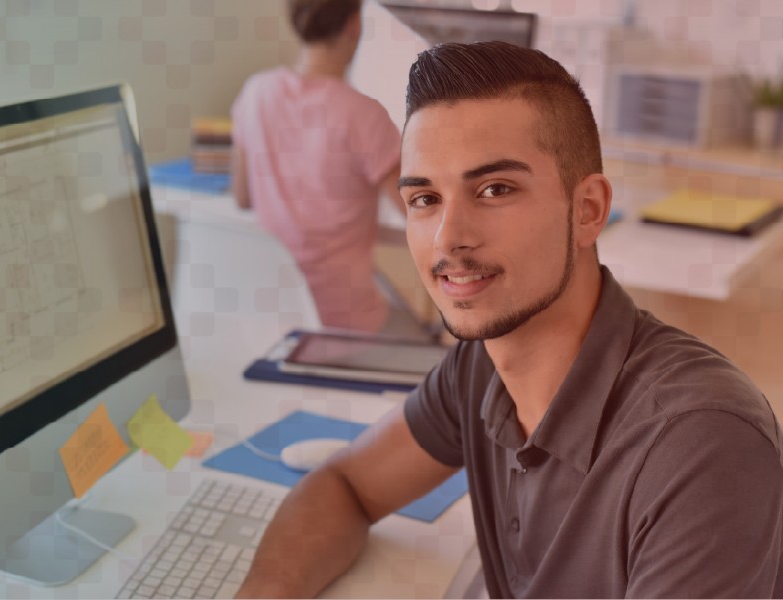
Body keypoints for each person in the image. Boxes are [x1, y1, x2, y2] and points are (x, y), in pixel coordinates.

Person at [234, 41, 783, 598]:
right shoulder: (479, 368)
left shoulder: (702, 446)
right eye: (424, 198)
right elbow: (345, 484)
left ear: (588, 210)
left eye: (495, 189)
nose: (449, 237)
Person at [230, 0, 424, 337]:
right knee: (432, 342)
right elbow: (418, 214)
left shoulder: (255, 92)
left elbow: (243, 196)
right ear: (354, 24)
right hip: (348, 328)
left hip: (279, 324)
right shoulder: (363, 114)